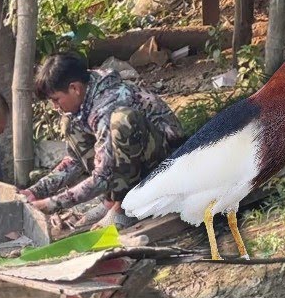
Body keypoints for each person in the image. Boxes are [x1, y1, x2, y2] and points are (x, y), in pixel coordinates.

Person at [19, 52, 184, 229]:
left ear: (75, 88)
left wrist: (49, 204)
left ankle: (124, 207)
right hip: (138, 164)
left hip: (168, 165)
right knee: (69, 123)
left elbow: (104, 175)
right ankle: (111, 202)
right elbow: (75, 161)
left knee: (122, 121)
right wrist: (35, 191)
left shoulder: (108, 104)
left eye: (56, 99)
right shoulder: (86, 97)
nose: (55, 106)